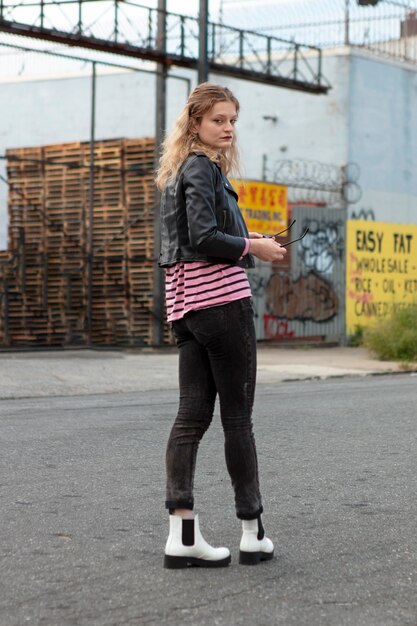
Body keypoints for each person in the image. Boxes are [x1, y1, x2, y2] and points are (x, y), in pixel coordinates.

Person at [156, 82, 287, 569]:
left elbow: (195, 237)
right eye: (218, 120)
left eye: (233, 120)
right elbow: (208, 237)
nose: (228, 128)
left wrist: (248, 236)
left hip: (186, 307)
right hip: (221, 305)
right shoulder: (202, 168)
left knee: (191, 416)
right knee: (237, 419)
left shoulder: (177, 172)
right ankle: (252, 533)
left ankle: (182, 535)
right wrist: (255, 248)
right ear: (195, 123)